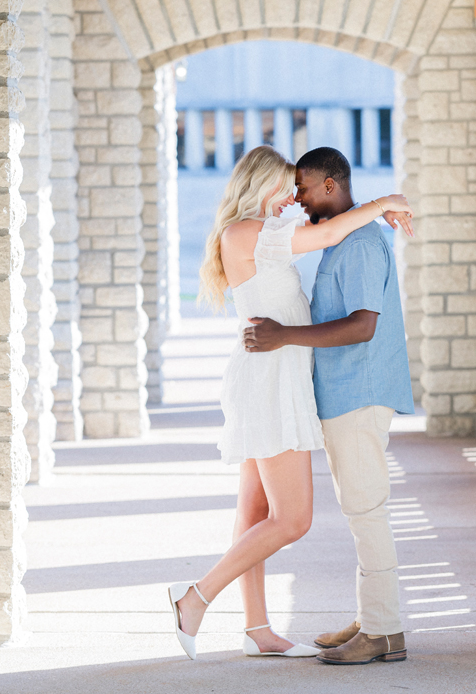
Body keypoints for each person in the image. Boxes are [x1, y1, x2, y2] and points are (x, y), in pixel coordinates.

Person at [168, 145, 413, 661]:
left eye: (297, 188)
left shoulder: (263, 235)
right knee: (292, 519)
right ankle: (196, 597)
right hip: (271, 380)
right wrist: (384, 202)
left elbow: (333, 238)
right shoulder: (253, 233)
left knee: (255, 511)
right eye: (286, 187)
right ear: (260, 186)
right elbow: (325, 233)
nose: (292, 200)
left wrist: (372, 212)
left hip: (276, 376)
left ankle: (260, 629)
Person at [243, 147, 415, 665]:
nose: (297, 198)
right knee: (360, 507)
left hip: (360, 393)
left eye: (304, 188)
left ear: (331, 186)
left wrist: (283, 337)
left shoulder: (360, 244)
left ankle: (384, 631)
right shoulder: (346, 237)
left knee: (366, 510)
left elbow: (364, 325)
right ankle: (373, 617)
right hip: (347, 393)